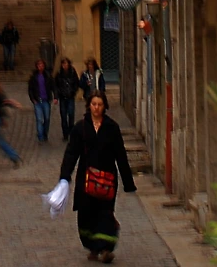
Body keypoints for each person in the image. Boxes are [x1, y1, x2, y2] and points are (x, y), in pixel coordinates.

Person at [59, 91, 137, 263]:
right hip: (86, 178)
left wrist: (128, 182)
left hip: (107, 178)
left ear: (104, 106)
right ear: (89, 106)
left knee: (105, 212)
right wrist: (65, 175)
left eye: (100, 104)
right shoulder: (80, 128)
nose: (96, 108)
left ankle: (106, 248)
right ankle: (93, 247)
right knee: (86, 213)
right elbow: (71, 153)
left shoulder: (112, 127)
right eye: (94, 104)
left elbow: (120, 154)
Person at [27, 59, 55, 143]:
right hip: (37, 101)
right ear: (37, 66)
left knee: (47, 118)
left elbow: (53, 87)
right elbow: (30, 89)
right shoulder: (33, 77)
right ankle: (40, 136)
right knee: (39, 119)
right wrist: (33, 99)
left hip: (46, 100)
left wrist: (55, 97)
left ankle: (45, 133)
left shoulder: (48, 76)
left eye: (42, 65)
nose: (40, 67)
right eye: (39, 65)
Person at [54, 57, 81, 141]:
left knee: (71, 115)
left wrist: (73, 91)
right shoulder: (59, 73)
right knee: (63, 117)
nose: (65, 65)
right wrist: (57, 96)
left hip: (70, 97)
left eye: (66, 63)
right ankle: (65, 134)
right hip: (62, 98)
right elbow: (56, 86)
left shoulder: (72, 72)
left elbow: (76, 83)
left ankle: (71, 133)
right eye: (63, 64)